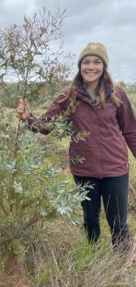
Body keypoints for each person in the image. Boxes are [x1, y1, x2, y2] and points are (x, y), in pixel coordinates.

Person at [16, 42, 136, 250]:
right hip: (84, 169)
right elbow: (47, 126)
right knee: (90, 220)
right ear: (80, 66)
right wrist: (29, 118)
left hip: (115, 168)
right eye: (86, 62)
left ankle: (121, 266)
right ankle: (93, 256)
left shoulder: (117, 94)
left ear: (104, 66)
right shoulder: (68, 95)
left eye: (97, 62)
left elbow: (130, 131)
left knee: (119, 224)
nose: (91, 66)